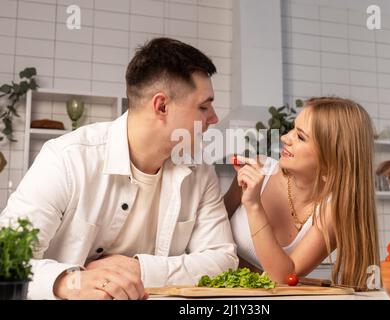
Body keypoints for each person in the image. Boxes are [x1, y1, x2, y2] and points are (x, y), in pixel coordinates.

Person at [0, 37, 238, 300]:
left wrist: (137, 269)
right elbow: (6, 262)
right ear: (162, 106)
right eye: (203, 107)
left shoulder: (200, 171)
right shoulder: (66, 159)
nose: (214, 118)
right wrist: (68, 282)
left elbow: (223, 260)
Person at [224, 97, 380, 291]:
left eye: (300, 137)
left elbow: (284, 276)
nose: (284, 138)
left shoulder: (334, 209)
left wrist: (254, 206)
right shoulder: (258, 169)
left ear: (331, 159)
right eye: (292, 129)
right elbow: (209, 229)